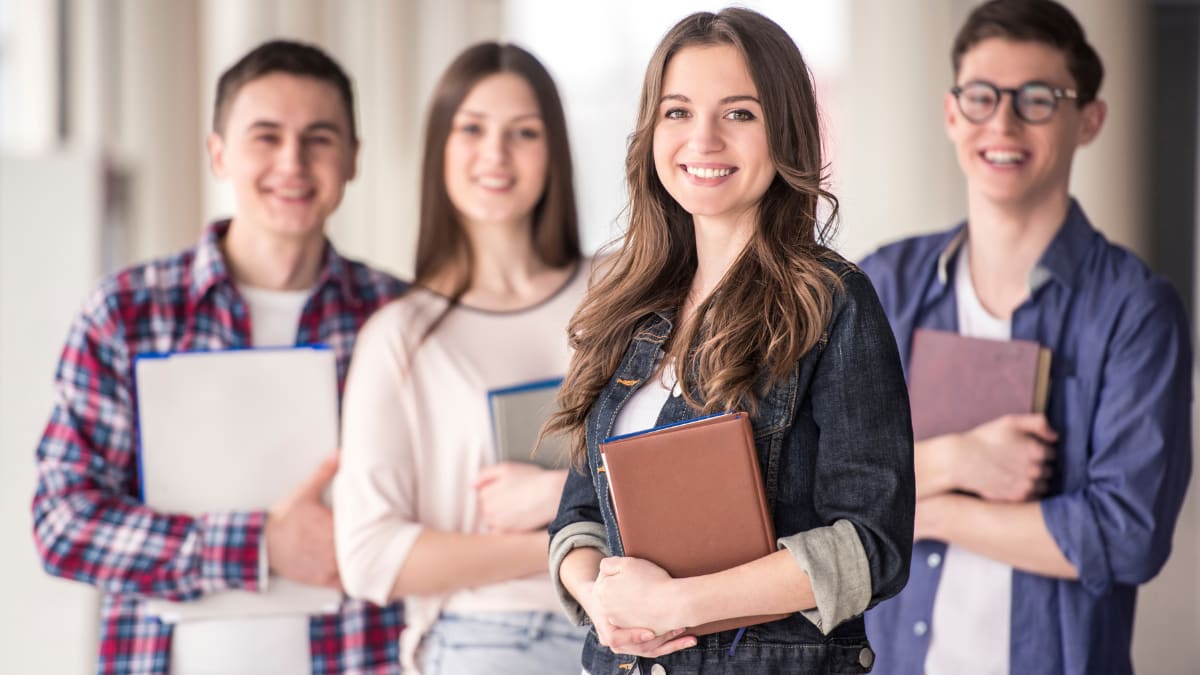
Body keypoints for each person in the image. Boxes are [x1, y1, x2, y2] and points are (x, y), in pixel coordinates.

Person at [544, 8, 915, 674]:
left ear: (785, 130)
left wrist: (677, 602)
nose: (704, 139)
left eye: (739, 114)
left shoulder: (831, 301)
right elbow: (580, 509)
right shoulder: (627, 302)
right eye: (678, 112)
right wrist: (598, 598)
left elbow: (870, 547)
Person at [31, 40, 405, 675]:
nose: (292, 162)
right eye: (266, 136)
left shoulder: (398, 318)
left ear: (352, 159)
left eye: (319, 138)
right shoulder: (128, 313)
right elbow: (63, 523)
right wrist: (259, 546)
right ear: (218, 154)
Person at [859, 1, 1193, 673]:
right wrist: (955, 463)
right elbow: (813, 482)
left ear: (1089, 120)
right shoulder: (883, 285)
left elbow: (1126, 536)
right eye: (981, 97)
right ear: (953, 114)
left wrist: (920, 510)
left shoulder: (1134, 310)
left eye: (1037, 98)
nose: (1003, 123)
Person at [332, 42, 590, 674]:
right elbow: (369, 556)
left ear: (553, 150)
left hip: (646, 624)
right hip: (493, 635)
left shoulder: (621, 292)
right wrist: (572, 539)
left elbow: (686, 463)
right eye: (471, 129)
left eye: (523, 132)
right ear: (439, 149)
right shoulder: (401, 335)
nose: (495, 154)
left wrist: (562, 495)